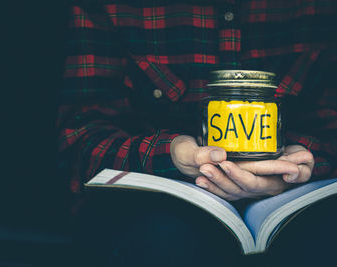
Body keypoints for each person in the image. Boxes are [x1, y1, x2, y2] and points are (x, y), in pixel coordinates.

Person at [58, 1, 337, 266]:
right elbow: (80, 138)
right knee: (163, 241)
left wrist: (301, 165)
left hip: (303, 211)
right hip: (152, 217)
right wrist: (170, 153)